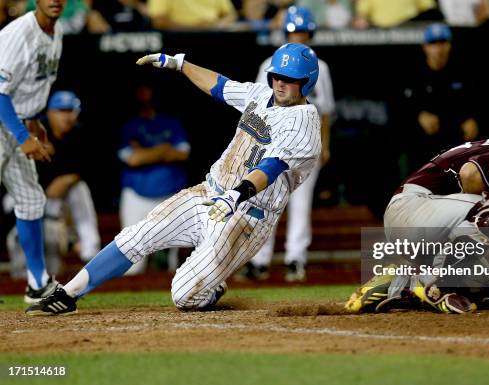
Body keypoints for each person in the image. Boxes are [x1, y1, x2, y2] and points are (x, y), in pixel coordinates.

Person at [26, 42, 321, 316]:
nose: (280, 82)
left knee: (184, 295)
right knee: (136, 236)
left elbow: (271, 166)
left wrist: (236, 194)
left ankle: (211, 286)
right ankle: (69, 294)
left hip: (246, 216)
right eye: (276, 75)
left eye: (289, 78)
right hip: (208, 193)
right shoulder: (261, 94)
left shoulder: (304, 120)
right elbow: (220, 85)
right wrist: (180, 64)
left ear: (306, 81)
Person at [344, 109, 489, 314]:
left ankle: (397, 284)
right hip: (411, 208)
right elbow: (470, 174)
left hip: (428, 218)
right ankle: (429, 284)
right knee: (488, 218)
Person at [237, 5, 334, 282]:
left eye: (302, 32)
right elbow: (255, 107)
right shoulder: (270, 64)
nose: (298, 37)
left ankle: (295, 259)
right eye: (293, 31)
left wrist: (325, 145)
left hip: (306, 144)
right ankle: (259, 261)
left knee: (300, 204)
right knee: (264, 201)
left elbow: (325, 110)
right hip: (273, 145)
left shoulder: (320, 68)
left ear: (311, 34)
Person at [0, 0, 64, 303]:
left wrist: (34, 124)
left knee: (31, 200)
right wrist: (24, 135)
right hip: (5, 122)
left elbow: (33, 86)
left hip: (15, 124)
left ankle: (37, 283)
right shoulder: (19, 33)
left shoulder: (57, 31)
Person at [5, 90, 101, 276]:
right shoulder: (34, 132)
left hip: (55, 201)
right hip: (23, 195)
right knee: (28, 225)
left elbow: (93, 168)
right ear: (49, 112)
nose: (65, 116)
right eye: (60, 110)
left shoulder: (81, 136)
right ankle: (21, 275)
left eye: (69, 110)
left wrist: (68, 179)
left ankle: (90, 253)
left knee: (78, 190)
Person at [118, 84, 190, 275]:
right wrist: (164, 149)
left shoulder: (171, 122)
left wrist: (144, 151)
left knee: (167, 265)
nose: (145, 99)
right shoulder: (129, 125)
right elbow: (133, 159)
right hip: (136, 194)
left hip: (169, 193)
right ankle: (131, 303)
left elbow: (182, 154)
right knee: (132, 262)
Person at [396, 23, 479, 173]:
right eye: (433, 43)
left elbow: (473, 103)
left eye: (442, 43)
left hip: (454, 142)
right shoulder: (412, 74)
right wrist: (419, 114)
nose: (438, 49)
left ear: (449, 45)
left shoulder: (462, 72)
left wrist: (469, 118)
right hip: (422, 146)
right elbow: (399, 106)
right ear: (425, 47)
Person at [148, 0, 237, 31]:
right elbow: (159, 22)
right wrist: (195, 29)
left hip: (214, 34)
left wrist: (217, 25)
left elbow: (231, 14)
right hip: (180, 40)